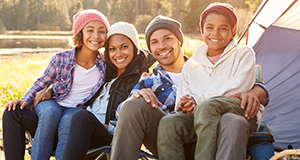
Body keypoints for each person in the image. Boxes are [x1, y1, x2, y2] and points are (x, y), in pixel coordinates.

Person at [110, 15, 270, 160]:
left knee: (233, 120)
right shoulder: (149, 81)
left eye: (167, 38)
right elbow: (121, 116)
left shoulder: (203, 65)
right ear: (150, 49)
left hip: (217, 136)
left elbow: (235, 82)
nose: (162, 46)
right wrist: (136, 97)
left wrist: (257, 89)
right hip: (169, 142)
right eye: (154, 42)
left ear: (180, 41)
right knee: (134, 105)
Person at [157, 3, 265, 160]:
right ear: (202, 30)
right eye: (209, 28)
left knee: (208, 106)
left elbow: (239, 86)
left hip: (236, 107)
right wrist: (186, 103)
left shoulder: (243, 53)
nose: (215, 33)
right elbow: (182, 99)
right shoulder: (190, 65)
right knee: (169, 122)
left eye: (223, 28)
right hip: (200, 117)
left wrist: (199, 100)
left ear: (233, 31)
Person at [2, 9, 110, 160]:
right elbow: (42, 82)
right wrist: (26, 100)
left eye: (102, 31)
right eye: (90, 30)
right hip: (52, 103)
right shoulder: (61, 58)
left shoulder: (105, 64)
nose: (96, 36)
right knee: (50, 113)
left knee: (69, 121)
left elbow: (132, 52)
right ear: (80, 33)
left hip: (76, 109)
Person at [61, 21, 155, 160]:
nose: (118, 54)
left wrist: (104, 127)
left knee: (81, 116)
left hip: (110, 137)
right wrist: (49, 90)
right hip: (80, 130)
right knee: (19, 113)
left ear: (135, 48)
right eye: (112, 49)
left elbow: (136, 126)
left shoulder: (143, 79)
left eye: (124, 47)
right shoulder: (104, 72)